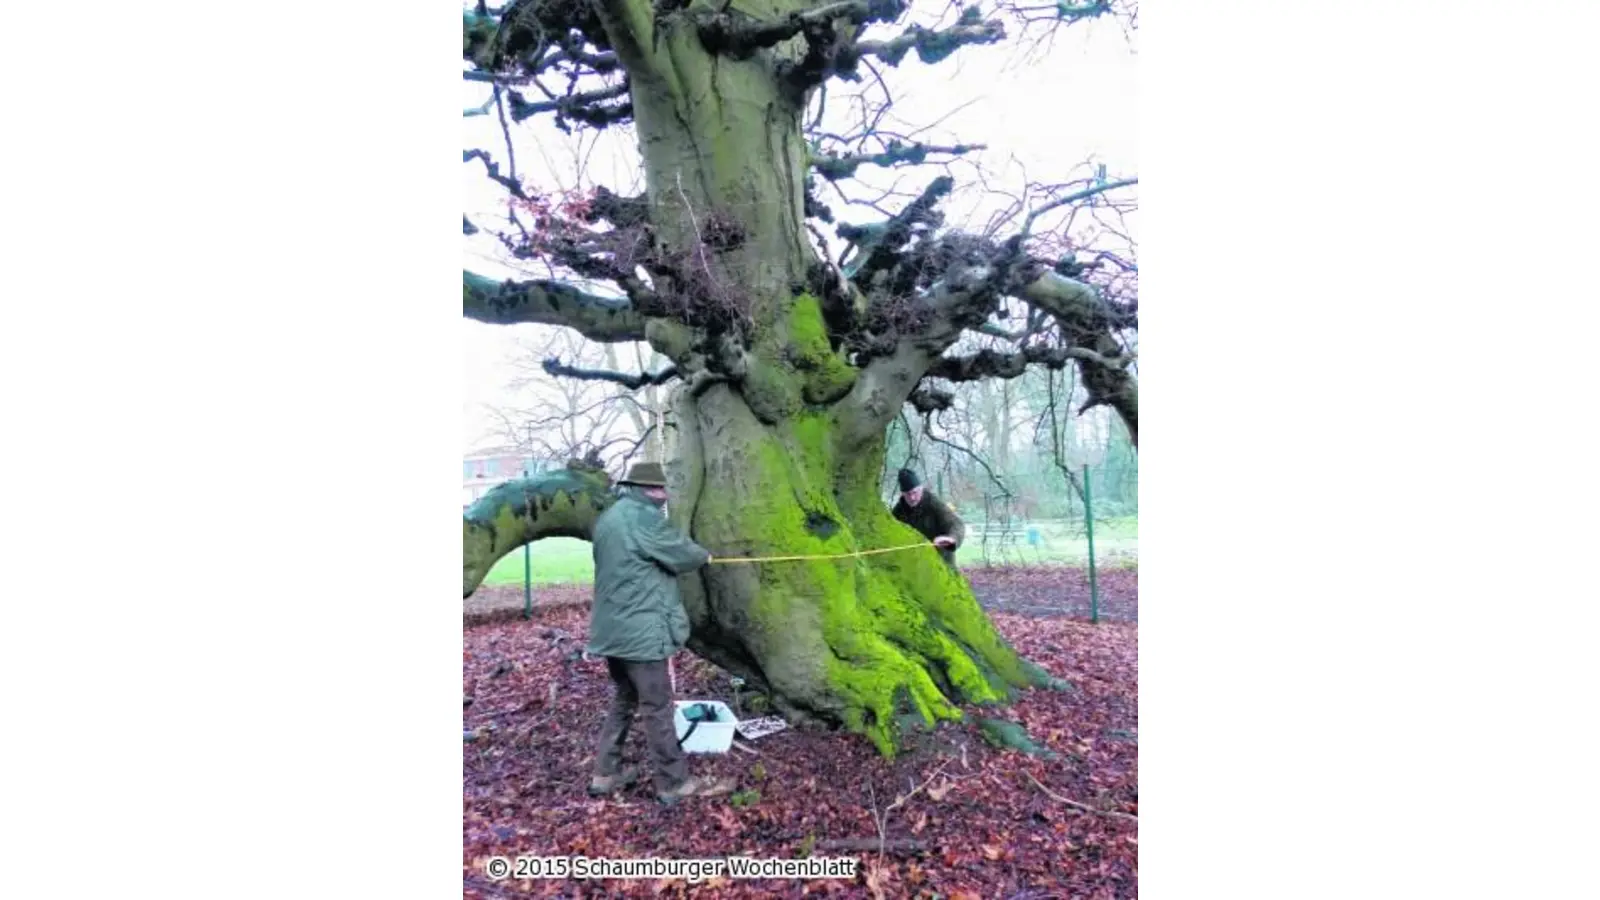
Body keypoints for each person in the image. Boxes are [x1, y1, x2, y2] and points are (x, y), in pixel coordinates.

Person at [585, 460, 735, 806]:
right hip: (642, 632)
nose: (665, 495)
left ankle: (605, 774)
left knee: (625, 699)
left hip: (612, 631)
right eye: (661, 488)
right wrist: (704, 556)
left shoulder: (609, 517)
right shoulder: (644, 519)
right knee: (658, 707)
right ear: (648, 490)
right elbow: (682, 554)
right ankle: (673, 783)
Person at [891, 468, 966, 568]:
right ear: (902, 494)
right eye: (908, 494)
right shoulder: (898, 511)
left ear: (921, 489)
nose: (912, 498)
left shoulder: (933, 503)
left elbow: (956, 523)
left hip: (942, 562)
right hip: (915, 565)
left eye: (915, 492)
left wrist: (951, 538)